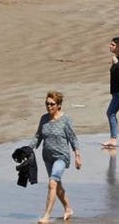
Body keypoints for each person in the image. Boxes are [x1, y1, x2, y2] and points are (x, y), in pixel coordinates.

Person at [29, 91, 81, 223]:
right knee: (57, 186)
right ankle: (68, 208)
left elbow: (73, 138)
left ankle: (46, 215)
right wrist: (28, 149)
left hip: (62, 157)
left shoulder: (65, 120)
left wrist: (77, 156)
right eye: (47, 103)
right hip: (47, 157)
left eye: (52, 104)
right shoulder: (44, 119)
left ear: (59, 105)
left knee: (52, 183)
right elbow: (38, 136)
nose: (49, 106)